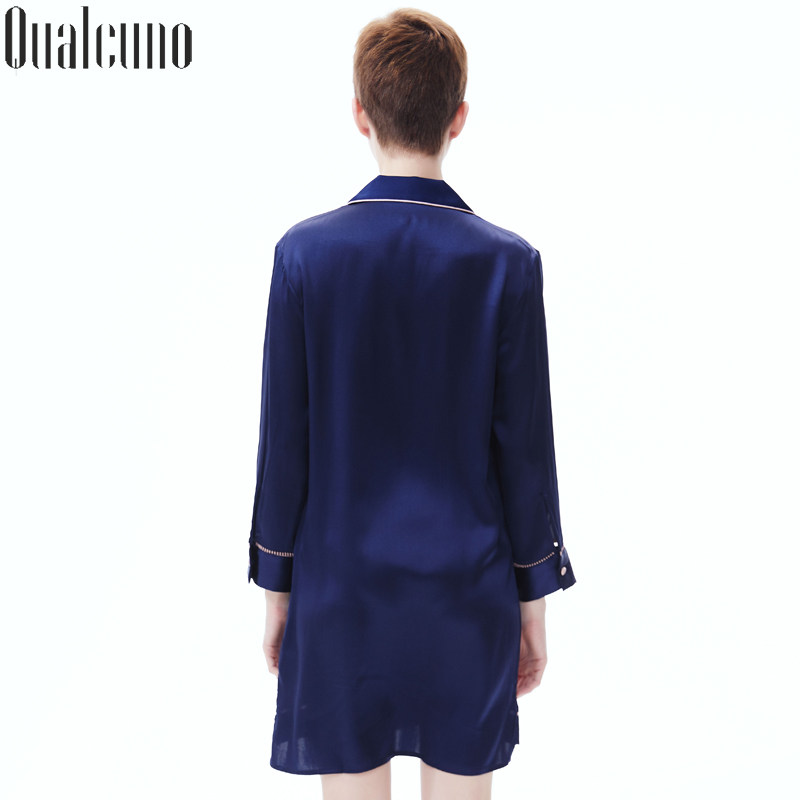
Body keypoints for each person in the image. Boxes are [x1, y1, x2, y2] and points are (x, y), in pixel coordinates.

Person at [247, 7, 577, 800]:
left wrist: (276, 587)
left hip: (341, 588)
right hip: (465, 590)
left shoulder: (304, 255)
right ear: (458, 117)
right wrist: (534, 599)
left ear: (360, 113)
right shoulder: (508, 263)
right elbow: (524, 451)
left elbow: (285, 444)